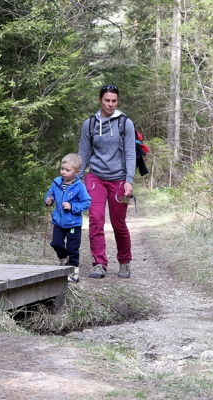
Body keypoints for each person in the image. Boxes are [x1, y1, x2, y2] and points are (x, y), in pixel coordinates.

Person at [78, 84, 136, 279]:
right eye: (107, 100)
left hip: (119, 179)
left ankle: (125, 262)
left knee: (119, 223)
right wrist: (76, 181)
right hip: (95, 177)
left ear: (117, 101)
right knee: (95, 220)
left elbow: (130, 153)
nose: (110, 104)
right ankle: (99, 264)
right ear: (100, 100)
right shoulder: (90, 124)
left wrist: (129, 180)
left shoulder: (125, 123)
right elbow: (84, 154)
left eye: (114, 101)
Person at [45, 153, 91, 283]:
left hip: (73, 224)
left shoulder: (79, 186)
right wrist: (48, 200)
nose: (63, 172)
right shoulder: (57, 182)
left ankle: (74, 272)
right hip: (58, 222)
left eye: (67, 170)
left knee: (73, 248)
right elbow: (50, 195)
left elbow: (86, 202)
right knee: (56, 243)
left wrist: (72, 206)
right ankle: (63, 259)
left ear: (76, 171)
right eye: (62, 169)